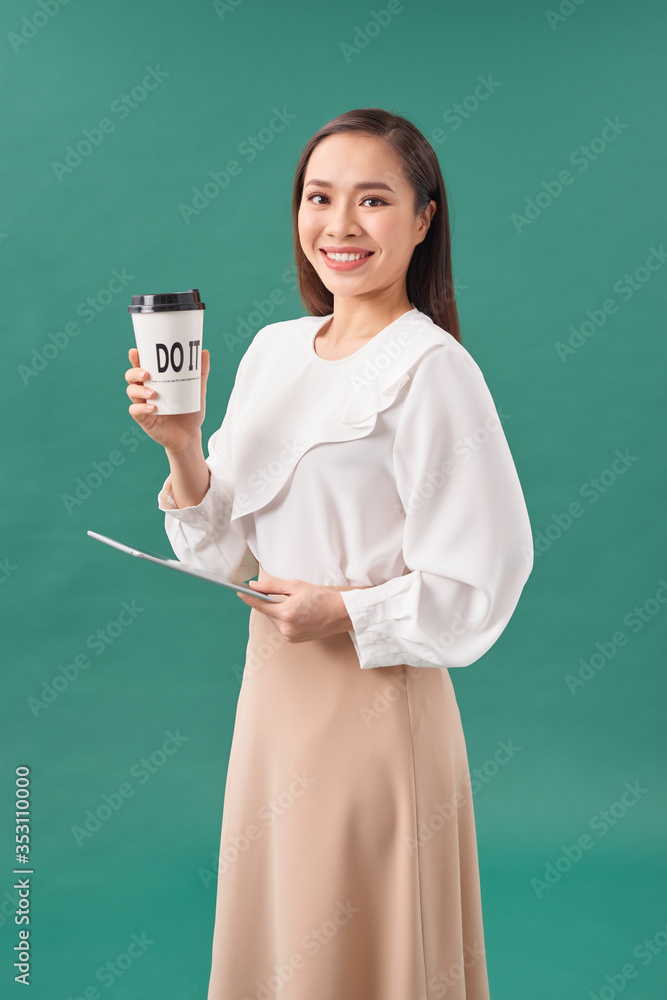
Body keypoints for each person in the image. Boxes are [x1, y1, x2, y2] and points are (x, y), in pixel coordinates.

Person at [125, 107, 534, 1000]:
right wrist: (181, 443)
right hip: (272, 705)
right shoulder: (274, 353)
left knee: (355, 946)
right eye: (319, 197)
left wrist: (342, 610)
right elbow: (220, 551)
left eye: (373, 200)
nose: (339, 226)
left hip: (376, 716)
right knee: (279, 942)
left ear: (423, 219)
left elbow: (482, 579)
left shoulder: (433, 371)